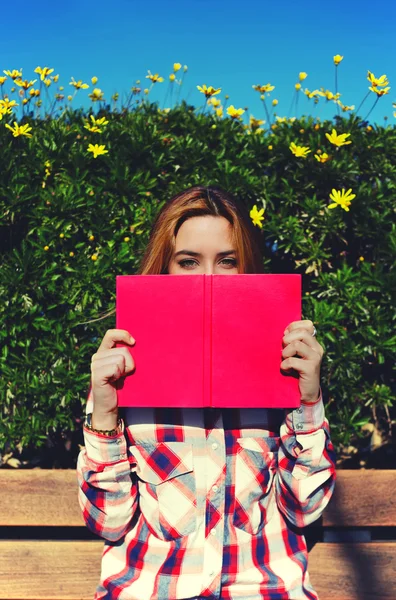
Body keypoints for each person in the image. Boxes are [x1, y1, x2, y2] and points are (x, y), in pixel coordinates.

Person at [76, 185, 336, 600]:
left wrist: (307, 401)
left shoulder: (282, 363)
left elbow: (305, 510)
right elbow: (108, 522)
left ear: (246, 268)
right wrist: (105, 414)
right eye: (189, 262)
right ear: (164, 269)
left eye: (227, 262)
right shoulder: (124, 372)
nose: (210, 278)